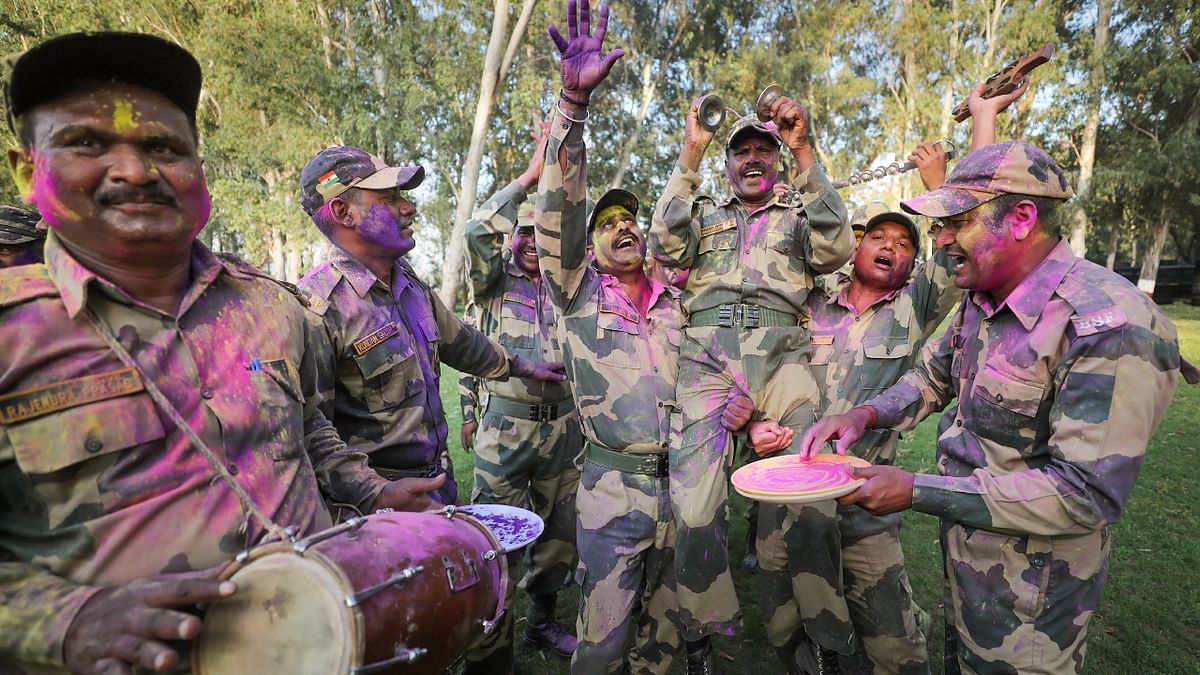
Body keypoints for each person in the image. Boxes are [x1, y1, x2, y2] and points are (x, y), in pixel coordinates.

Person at [0, 32, 440, 675]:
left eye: (164, 147)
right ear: (24, 171)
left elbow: (309, 426)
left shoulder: (273, 307)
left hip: (321, 642)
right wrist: (66, 621)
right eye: (86, 142)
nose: (134, 170)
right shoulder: (14, 332)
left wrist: (374, 493)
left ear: (198, 171)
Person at [800, 134, 1181, 673]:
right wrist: (863, 414)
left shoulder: (1107, 324)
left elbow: (1085, 495)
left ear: (1022, 219)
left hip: (1033, 600)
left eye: (957, 222)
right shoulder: (983, 300)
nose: (942, 238)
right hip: (968, 568)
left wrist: (915, 489)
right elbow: (933, 377)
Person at [533, 6, 751, 672]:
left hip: (686, 495)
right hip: (611, 496)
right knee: (603, 643)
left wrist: (735, 403)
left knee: (663, 639)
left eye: (631, 219)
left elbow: (715, 369)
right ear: (589, 246)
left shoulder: (677, 303)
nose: (624, 227)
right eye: (609, 223)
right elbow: (561, 209)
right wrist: (573, 106)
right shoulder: (575, 293)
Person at [649, 87, 854, 655]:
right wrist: (690, 155)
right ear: (728, 163)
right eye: (741, 152)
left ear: (777, 157)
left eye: (764, 150)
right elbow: (663, 244)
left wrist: (805, 150)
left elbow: (837, 248)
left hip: (784, 358)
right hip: (708, 360)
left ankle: (820, 640)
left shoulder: (797, 213)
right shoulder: (705, 214)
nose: (753, 159)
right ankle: (701, 635)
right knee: (693, 507)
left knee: (813, 498)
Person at [296, 146, 567, 513]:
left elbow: (463, 343)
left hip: (437, 484)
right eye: (391, 198)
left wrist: (522, 366)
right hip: (377, 510)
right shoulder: (317, 308)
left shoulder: (407, 281)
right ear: (344, 212)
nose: (409, 207)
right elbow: (311, 430)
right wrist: (374, 492)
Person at [457, 122, 583, 669]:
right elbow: (474, 231)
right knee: (498, 532)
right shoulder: (490, 281)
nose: (531, 242)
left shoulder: (567, 282)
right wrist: (530, 178)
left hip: (564, 429)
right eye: (523, 232)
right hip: (504, 430)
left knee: (560, 533)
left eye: (540, 233)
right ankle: (491, 633)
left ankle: (541, 622)